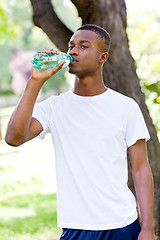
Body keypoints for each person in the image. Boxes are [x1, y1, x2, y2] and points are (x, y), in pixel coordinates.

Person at [5, 24, 155, 240]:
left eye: (83, 46)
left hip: (123, 224)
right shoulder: (54, 107)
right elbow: (13, 138)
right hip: (76, 227)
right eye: (71, 46)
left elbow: (141, 170)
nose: (73, 51)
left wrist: (148, 227)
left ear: (102, 57)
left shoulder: (126, 106)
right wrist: (35, 81)